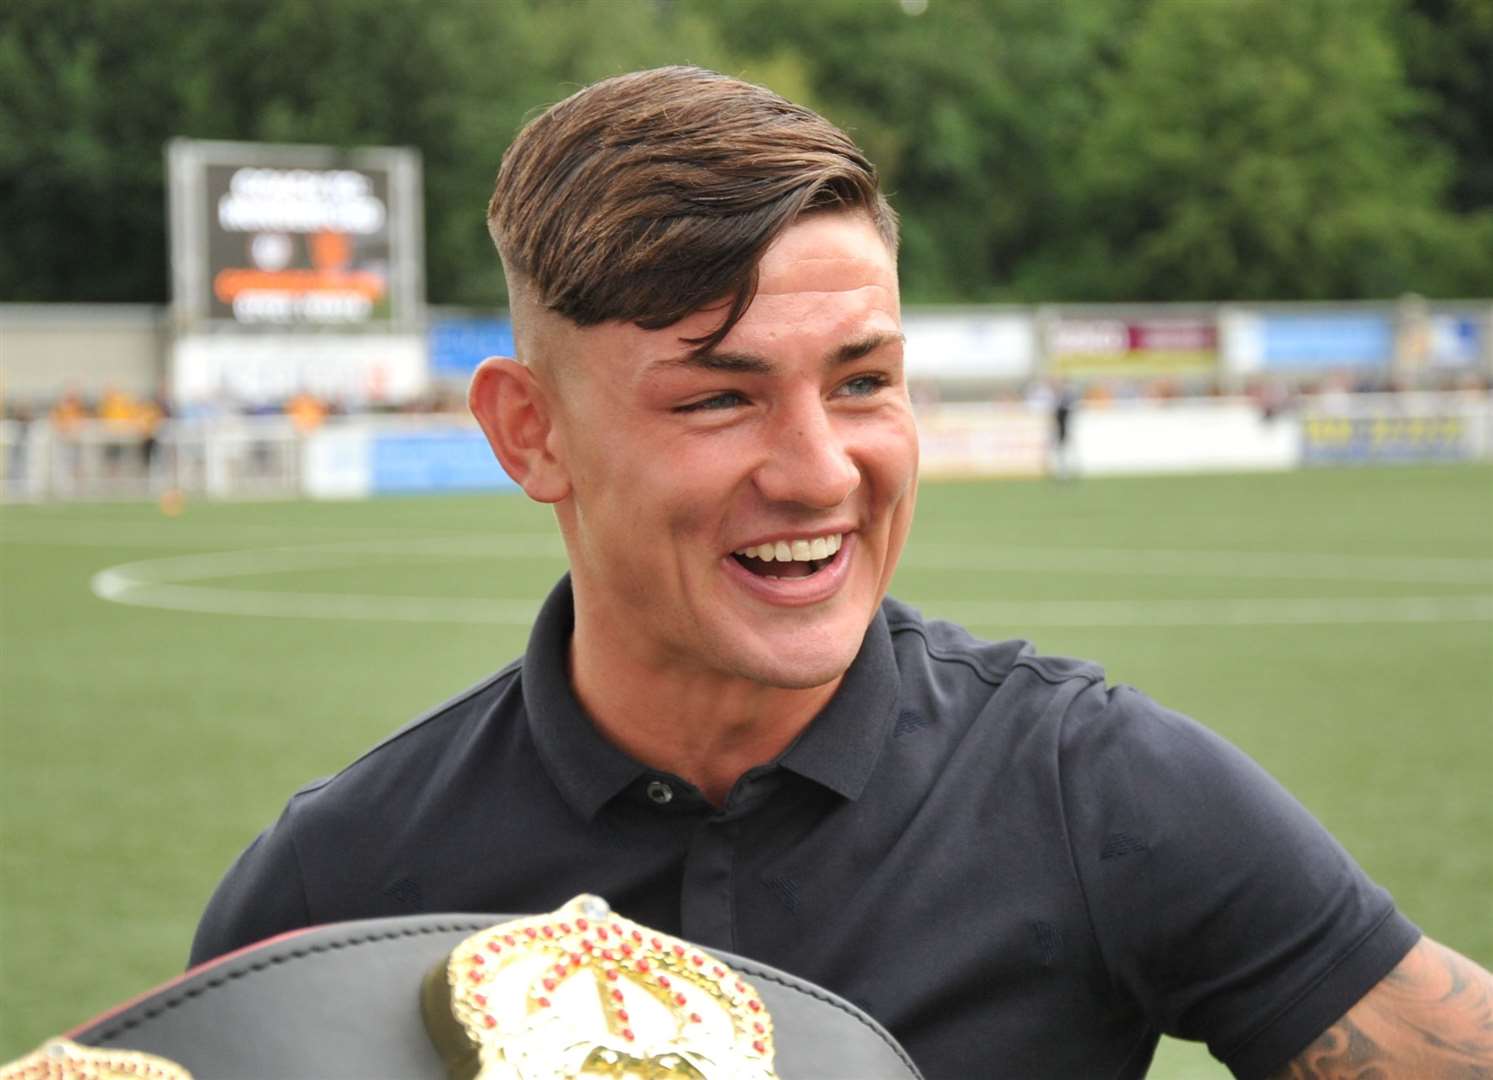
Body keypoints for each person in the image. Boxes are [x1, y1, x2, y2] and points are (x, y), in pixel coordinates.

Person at [190, 67, 1493, 1078]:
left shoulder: (1094, 789)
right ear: (530, 431)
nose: (820, 471)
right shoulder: (341, 885)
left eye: (863, 382)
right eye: (717, 398)